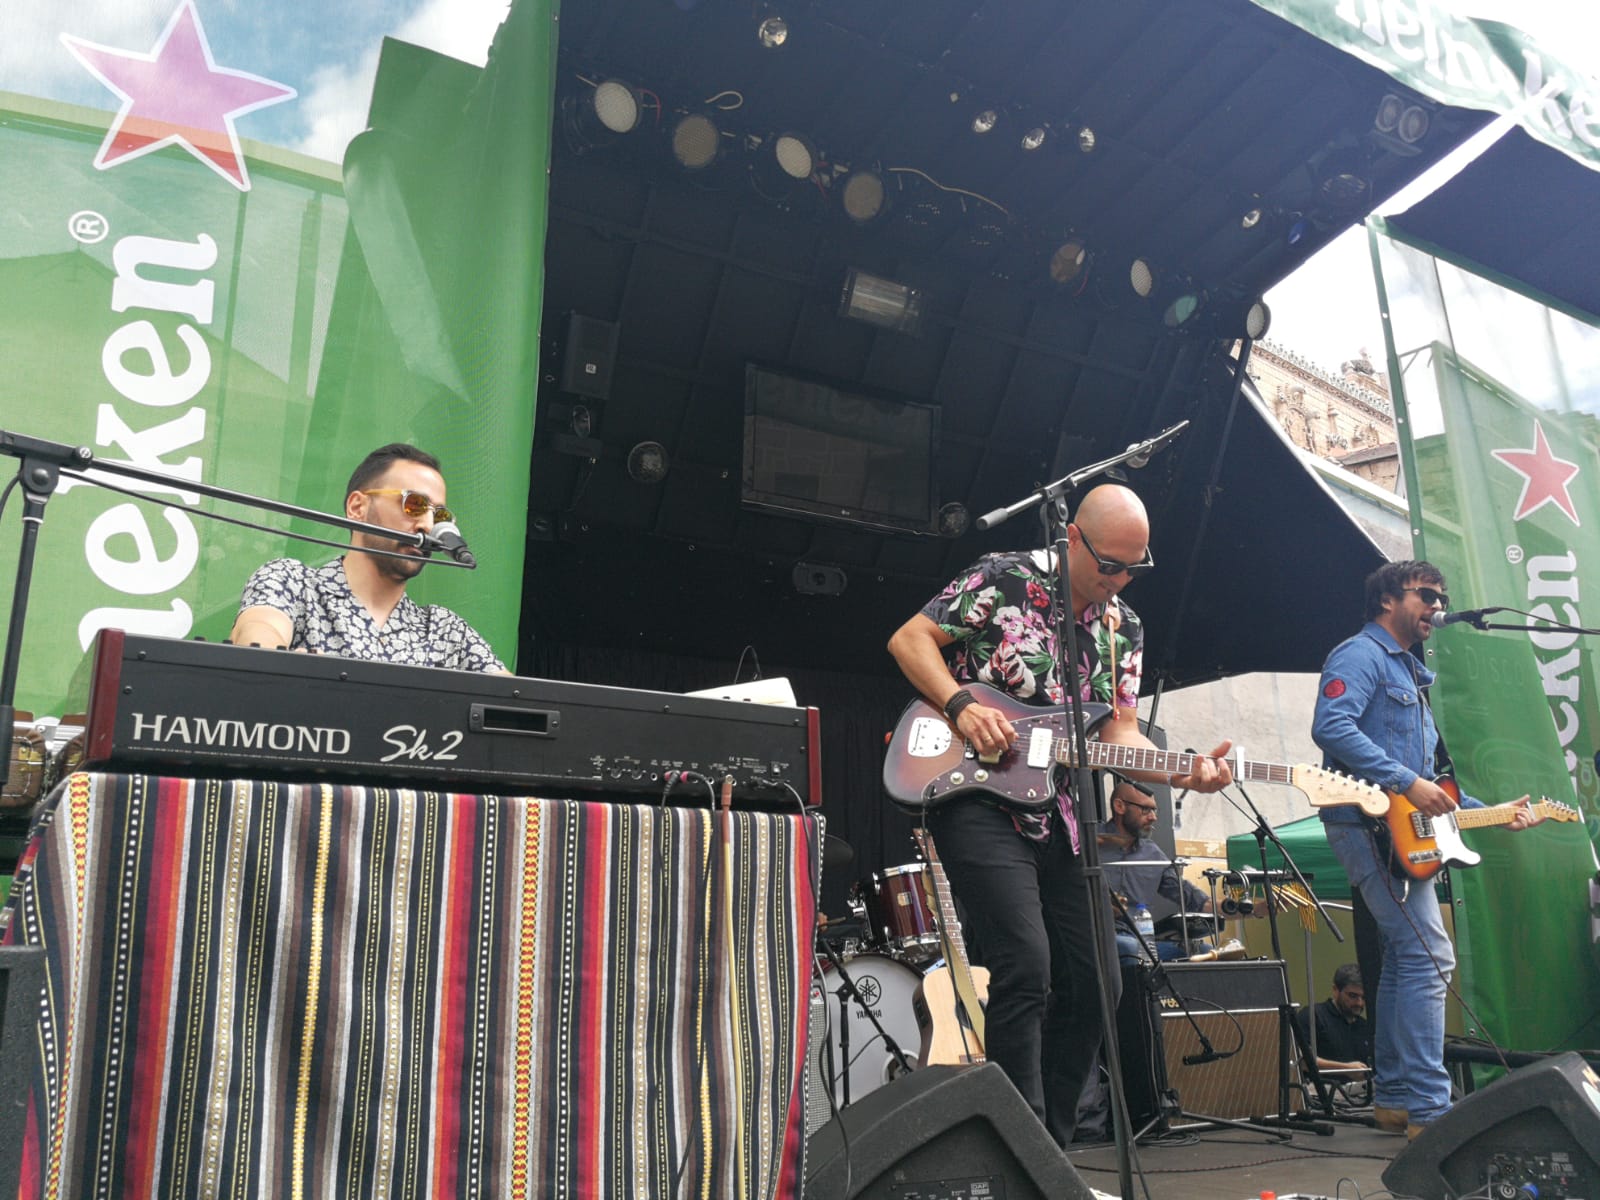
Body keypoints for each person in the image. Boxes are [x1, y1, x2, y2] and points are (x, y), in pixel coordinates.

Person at [886, 483, 1235, 1147]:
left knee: (1099, 979)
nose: (1121, 580)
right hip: (977, 799)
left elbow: (1123, 736)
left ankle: (1050, 1145)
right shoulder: (1003, 577)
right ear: (1071, 536)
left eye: (1135, 567)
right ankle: (1014, 1151)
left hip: (1066, 814)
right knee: (1025, 964)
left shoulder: (1121, 629)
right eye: (1109, 564)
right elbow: (910, 640)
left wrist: (1185, 769)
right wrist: (962, 705)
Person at [1311, 559, 1540, 1139]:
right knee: (1429, 957)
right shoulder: (1358, 655)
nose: (1438, 606)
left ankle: (1394, 1099)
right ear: (1389, 598)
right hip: (1365, 827)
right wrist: (1403, 781)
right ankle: (1432, 1112)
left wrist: (1492, 812)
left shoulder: (1411, 674)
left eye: (1442, 597)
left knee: (1403, 964)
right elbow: (1332, 727)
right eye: (1428, 596)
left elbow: (1431, 781)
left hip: (1397, 833)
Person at [230, 443, 507, 672]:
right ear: (357, 507)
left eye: (439, 515)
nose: (427, 525)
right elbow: (258, 631)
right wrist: (281, 664)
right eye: (414, 504)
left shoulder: (444, 630)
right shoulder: (293, 582)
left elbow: (516, 699)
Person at [1099, 776, 1214, 964]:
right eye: (1145, 809)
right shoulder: (1088, 841)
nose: (1153, 817)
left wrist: (1253, 908)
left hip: (1141, 940)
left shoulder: (1152, 853)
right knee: (1128, 947)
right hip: (1097, 939)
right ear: (1119, 807)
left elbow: (1192, 898)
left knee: (1204, 952)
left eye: (1154, 810)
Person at [1296, 963, 1373, 1072]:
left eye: (1364, 997)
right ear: (1335, 990)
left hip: (1360, 1088)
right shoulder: (1313, 1016)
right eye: (1352, 996)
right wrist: (1347, 1069)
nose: (1359, 1003)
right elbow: (1300, 1061)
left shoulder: (1365, 1026)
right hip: (1320, 1087)